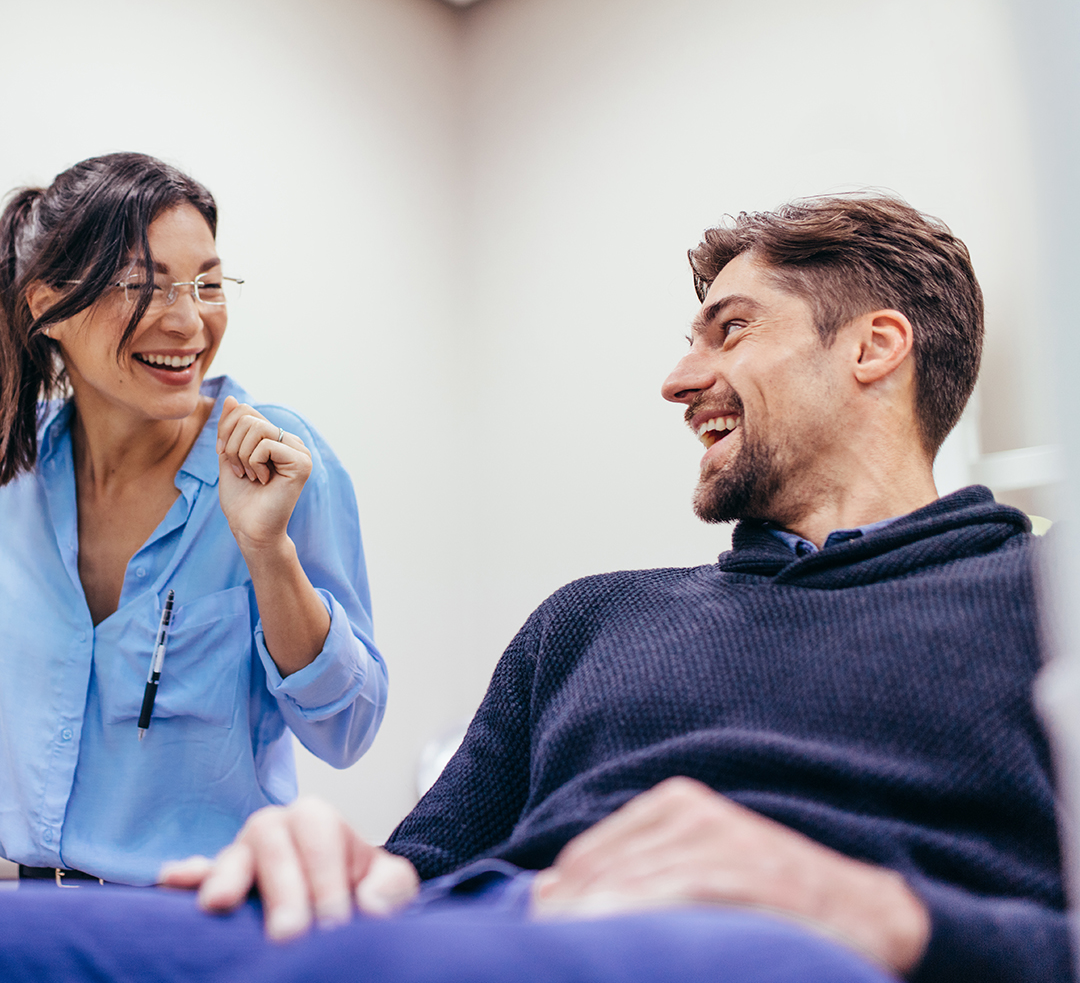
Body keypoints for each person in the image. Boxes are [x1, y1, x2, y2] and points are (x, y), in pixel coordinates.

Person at [0, 194, 1066, 983]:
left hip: (764, 947)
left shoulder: (1042, 600)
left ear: (878, 347)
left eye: (729, 328)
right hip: (468, 933)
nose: (676, 378)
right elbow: (415, 868)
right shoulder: (593, 617)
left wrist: (888, 913)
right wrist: (328, 856)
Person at [0, 153, 388, 886]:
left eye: (207, 285)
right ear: (47, 307)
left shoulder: (278, 462)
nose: (188, 320)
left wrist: (267, 551)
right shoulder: (12, 473)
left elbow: (348, 730)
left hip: (195, 923)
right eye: (142, 287)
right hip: (26, 924)